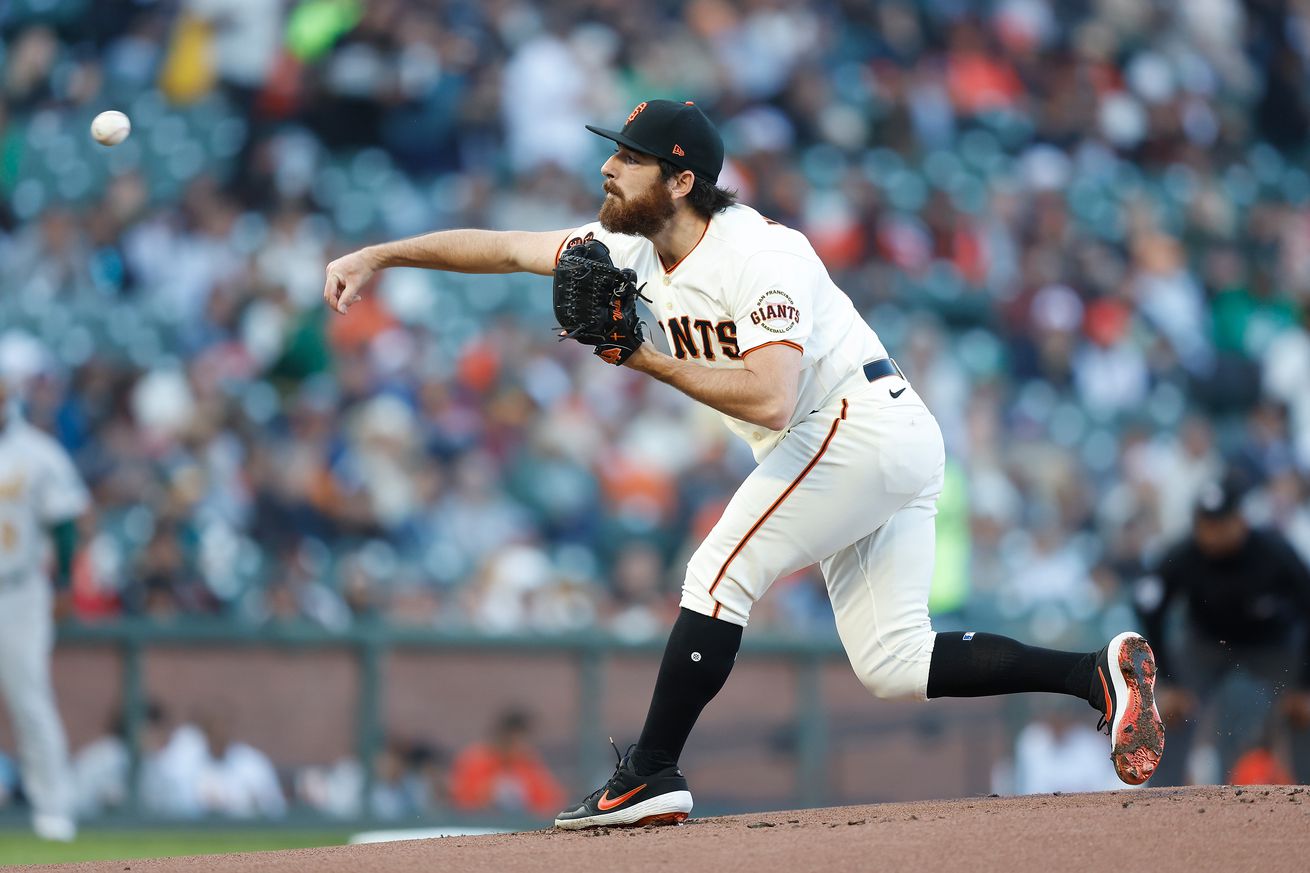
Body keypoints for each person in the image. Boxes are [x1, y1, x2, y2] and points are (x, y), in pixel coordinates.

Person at [324, 99, 1165, 829]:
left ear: (681, 181)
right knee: (894, 662)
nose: (608, 169)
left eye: (629, 158)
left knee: (719, 569)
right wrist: (381, 255)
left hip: (853, 423)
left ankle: (648, 772)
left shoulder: (762, 254)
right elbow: (507, 249)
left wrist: (641, 359)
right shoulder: (627, 244)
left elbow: (771, 398)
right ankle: (1095, 673)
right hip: (868, 440)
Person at [1135, 477, 1310, 785]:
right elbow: (1148, 605)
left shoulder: (1274, 552)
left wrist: (1305, 684)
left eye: (1221, 523)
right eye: (1206, 524)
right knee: (1172, 711)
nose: (1213, 532)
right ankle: (1158, 799)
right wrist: (1169, 679)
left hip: (1273, 644)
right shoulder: (1185, 554)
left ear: (1240, 520)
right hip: (1206, 644)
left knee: (1302, 712)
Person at [0, 377, 88, 841]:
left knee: (29, 699)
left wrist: (64, 583)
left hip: (17, 589)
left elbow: (65, 522)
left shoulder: (37, 452)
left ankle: (54, 809)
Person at [447, 709, 564, 818]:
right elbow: (459, 802)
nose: (520, 746)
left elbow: (550, 802)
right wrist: (486, 795)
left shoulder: (528, 763)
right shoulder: (474, 760)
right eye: (514, 740)